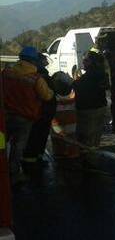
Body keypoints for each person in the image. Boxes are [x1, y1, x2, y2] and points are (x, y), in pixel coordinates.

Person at [2, 46, 54, 185]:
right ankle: (13, 174)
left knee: (2, 143)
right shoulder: (36, 78)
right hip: (24, 118)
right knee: (17, 146)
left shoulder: (6, 73)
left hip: (5, 117)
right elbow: (47, 96)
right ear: (34, 60)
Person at [22, 53, 57, 165]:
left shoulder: (19, 74)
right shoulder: (39, 77)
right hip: (41, 112)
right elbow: (48, 96)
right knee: (38, 136)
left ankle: (33, 158)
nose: (45, 62)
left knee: (33, 136)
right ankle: (32, 161)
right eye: (43, 60)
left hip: (30, 111)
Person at [74, 51, 109, 157]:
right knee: (96, 134)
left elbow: (77, 87)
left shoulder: (88, 77)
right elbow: (106, 87)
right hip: (101, 107)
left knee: (86, 135)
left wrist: (75, 81)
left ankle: (87, 158)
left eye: (85, 60)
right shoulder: (103, 73)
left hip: (88, 110)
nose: (83, 62)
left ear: (92, 62)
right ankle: (94, 152)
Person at [50, 72, 79, 159]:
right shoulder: (73, 96)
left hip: (56, 122)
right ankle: (73, 153)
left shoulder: (52, 97)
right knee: (71, 137)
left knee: (57, 137)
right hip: (71, 121)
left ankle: (60, 153)